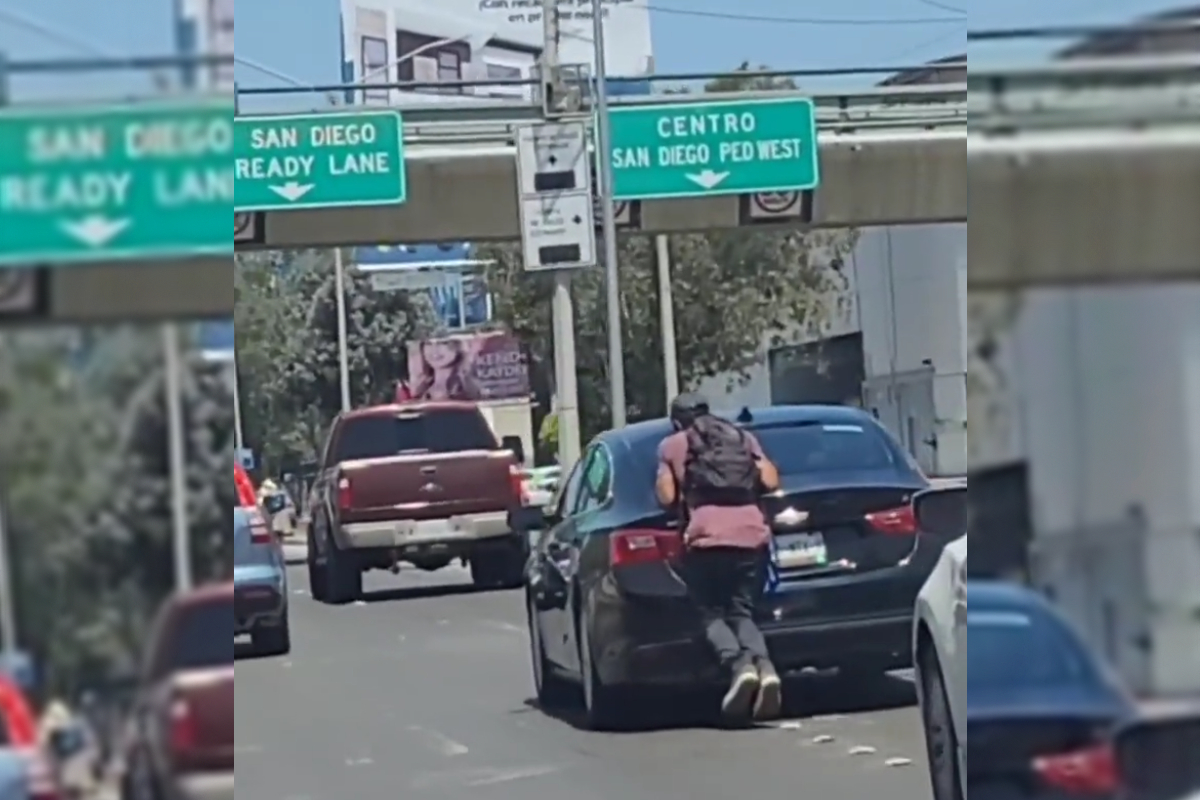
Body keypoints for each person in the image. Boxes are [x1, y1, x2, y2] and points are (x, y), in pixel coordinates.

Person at [656, 393, 783, 722]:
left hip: (706, 538)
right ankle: (765, 669)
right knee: (742, 611)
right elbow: (770, 480)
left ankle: (739, 667)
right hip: (751, 534)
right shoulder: (741, 436)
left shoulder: (672, 445)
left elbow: (667, 496)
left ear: (675, 421)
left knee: (710, 612)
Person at [406, 337, 483, 401]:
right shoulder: (418, 392)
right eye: (428, 343)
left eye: (443, 342)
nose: (434, 350)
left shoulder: (471, 390)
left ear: (458, 346)